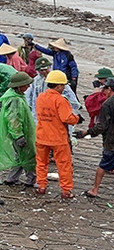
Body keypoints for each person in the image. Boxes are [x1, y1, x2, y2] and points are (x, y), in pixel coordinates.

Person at [76, 79, 114, 205]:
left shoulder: (107, 104)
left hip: (112, 141)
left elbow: (102, 126)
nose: (103, 92)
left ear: (109, 89)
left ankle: (95, 189)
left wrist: (87, 133)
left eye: (105, 89)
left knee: (103, 165)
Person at [34, 70, 81, 199]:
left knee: (41, 162)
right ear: (59, 86)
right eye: (63, 85)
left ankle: (41, 186)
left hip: (41, 135)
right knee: (64, 164)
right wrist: (77, 118)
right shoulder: (60, 100)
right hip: (58, 138)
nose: (64, 87)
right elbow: (67, 118)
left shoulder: (41, 97)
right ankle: (66, 190)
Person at [0, 72, 36, 187]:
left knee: (20, 155)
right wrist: (19, 135)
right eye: (26, 85)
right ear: (19, 86)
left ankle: (12, 178)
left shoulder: (16, 96)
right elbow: (13, 119)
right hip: (20, 133)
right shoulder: (15, 100)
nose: (28, 87)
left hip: (19, 132)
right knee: (28, 155)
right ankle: (31, 179)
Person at [25, 57, 80, 127]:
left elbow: (70, 96)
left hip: (56, 110)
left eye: (46, 69)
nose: (44, 72)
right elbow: (29, 95)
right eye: (41, 70)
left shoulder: (57, 78)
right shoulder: (35, 81)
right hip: (40, 111)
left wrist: (74, 111)